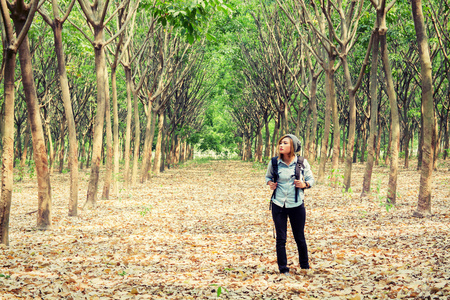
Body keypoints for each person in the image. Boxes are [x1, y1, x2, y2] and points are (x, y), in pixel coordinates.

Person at [265, 134, 314, 275]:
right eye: (280, 142)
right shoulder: (274, 162)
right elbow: (268, 177)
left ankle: (304, 266)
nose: (281, 145)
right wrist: (270, 183)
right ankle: (283, 269)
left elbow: (311, 179)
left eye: (285, 143)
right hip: (278, 204)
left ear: (292, 146)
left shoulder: (302, 162)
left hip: (296, 204)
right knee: (281, 238)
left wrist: (304, 184)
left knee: (299, 237)